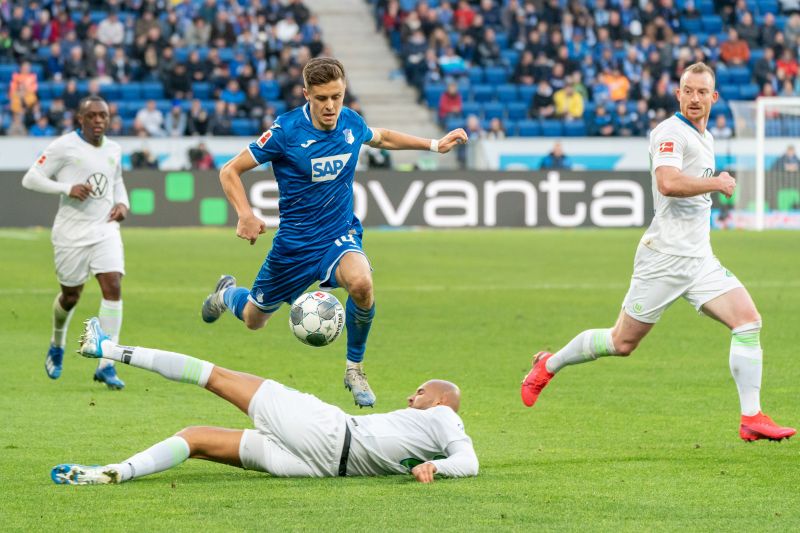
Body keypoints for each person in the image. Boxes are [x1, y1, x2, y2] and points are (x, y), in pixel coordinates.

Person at [520, 62, 796, 442]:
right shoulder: (669, 132)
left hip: (699, 259)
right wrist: (716, 183)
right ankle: (548, 364)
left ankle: (752, 418)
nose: (695, 98)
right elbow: (667, 182)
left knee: (748, 321)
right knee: (622, 343)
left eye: (702, 92)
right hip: (664, 258)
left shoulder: (706, 137)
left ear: (714, 97)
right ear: (678, 94)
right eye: (688, 91)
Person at [201, 58, 467, 408]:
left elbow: (383, 137)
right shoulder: (285, 132)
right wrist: (245, 214)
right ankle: (226, 294)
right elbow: (229, 170)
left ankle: (354, 369)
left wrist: (434, 145)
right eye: (322, 98)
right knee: (254, 319)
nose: (330, 106)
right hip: (294, 245)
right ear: (306, 94)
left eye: (337, 97)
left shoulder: (351, 122)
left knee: (361, 283)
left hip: (338, 234)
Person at [51, 318, 478, 485]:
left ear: (442, 399)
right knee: (195, 438)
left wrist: (438, 467)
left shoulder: (443, 416)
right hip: (318, 468)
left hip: (326, 432)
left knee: (215, 376)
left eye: (420, 391)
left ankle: (107, 348)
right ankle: (115, 472)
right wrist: (434, 465)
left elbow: (469, 461)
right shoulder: (428, 432)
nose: (411, 396)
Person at [21, 96, 128, 389]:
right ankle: (57, 343)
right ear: (80, 119)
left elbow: (117, 181)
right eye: (92, 115)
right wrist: (67, 187)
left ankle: (107, 364)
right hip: (71, 234)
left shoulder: (114, 149)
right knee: (70, 297)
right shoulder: (64, 146)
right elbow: (31, 178)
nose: (98, 120)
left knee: (113, 285)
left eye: (103, 115)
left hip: (105, 229)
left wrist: (123, 203)